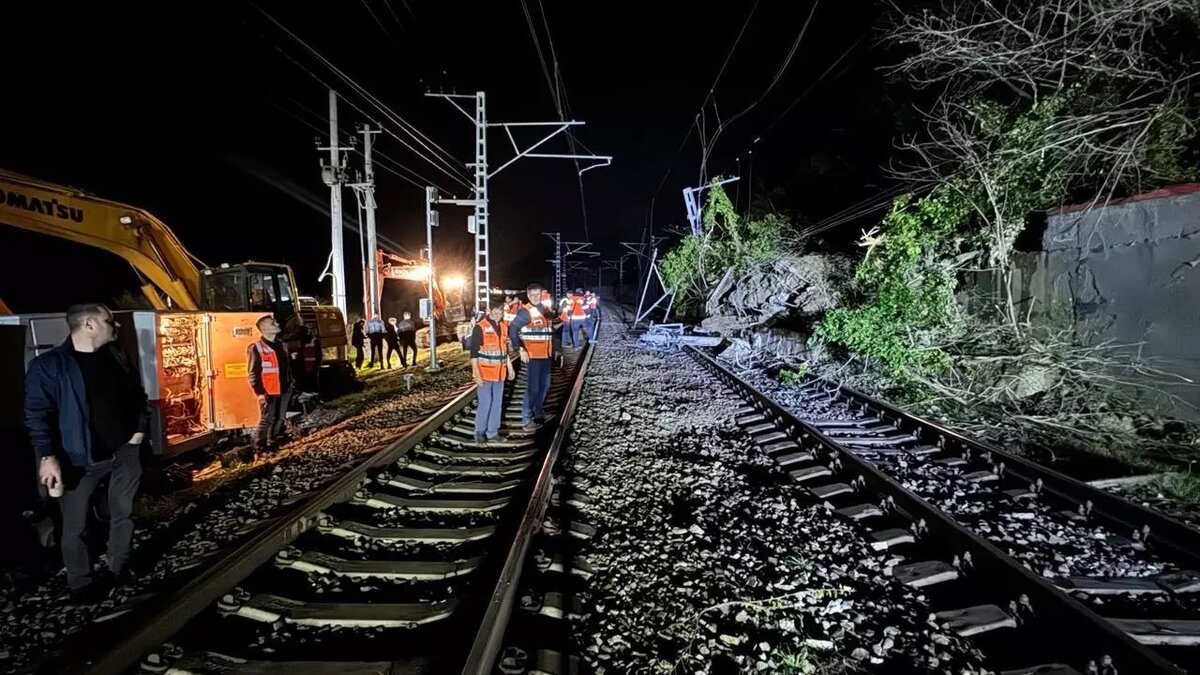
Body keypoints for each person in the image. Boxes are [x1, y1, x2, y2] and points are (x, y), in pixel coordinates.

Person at [24, 304, 149, 602]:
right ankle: (81, 583)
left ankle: (118, 568)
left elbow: (137, 395)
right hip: (80, 460)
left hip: (124, 453)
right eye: (110, 321)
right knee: (75, 525)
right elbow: (37, 414)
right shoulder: (50, 366)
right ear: (89, 324)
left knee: (124, 513)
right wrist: (47, 456)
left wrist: (139, 431)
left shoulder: (117, 356)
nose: (115, 326)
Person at [509, 283, 557, 430]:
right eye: (533, 294)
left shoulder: (544, 310)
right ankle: (526, 418)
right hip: (533, 356)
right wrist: (520, 349)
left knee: (545, 385)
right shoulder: (526, 312)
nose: (536, 297)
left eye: (538, 294)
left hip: (546, 355)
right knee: (533, 388)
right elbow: (513, 328)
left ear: (541, 295)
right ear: (529, 296)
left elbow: (549, 331)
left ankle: (539, 413)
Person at [469, 302, 515, 443]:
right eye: (495, 311)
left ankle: (492, 432)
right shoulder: (480, 327)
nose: (498, 314)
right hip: (485, 373)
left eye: (500, 312)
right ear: (489, 310)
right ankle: (479, 432)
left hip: (500, 373)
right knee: (485, 403)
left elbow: (504, 350)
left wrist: (510, 367)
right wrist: (476, 374)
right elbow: (473, 353)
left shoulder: (503, 326)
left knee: (497, 403)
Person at [248, 315, 293, 451]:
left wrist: (292, 382)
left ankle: (272, 441)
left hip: (284, 388)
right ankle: (259, 446)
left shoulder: (281, 345)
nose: (276, 323)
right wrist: (260, 393)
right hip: (269, 391)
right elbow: (253, 372)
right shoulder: (256, 348)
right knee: (267, 419)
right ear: (264, 329)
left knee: (280, 417)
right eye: (272, 323)